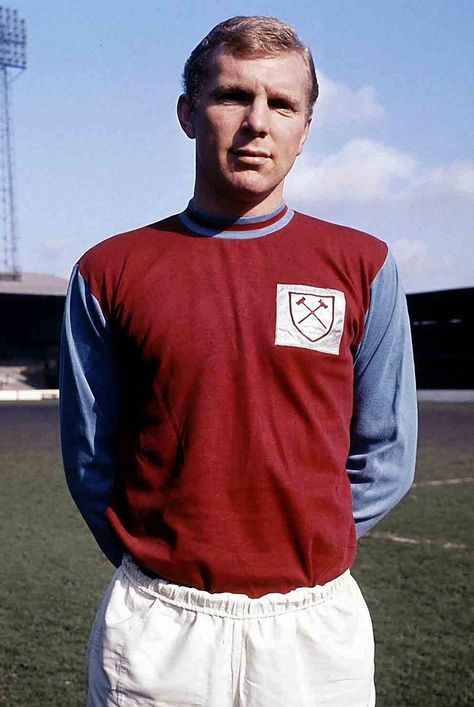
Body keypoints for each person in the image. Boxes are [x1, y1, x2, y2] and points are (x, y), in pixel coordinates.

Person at [60, 15, 417, 707]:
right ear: (188, 113)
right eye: (233, 96)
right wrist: (159, 561)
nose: (258, 122)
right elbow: (89, 459)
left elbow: (388, 451)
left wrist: (307, 543)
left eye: (282, 104)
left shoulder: (364, 264)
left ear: (306, 128)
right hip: (160, 621)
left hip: (313, 626)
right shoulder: (108, 270)